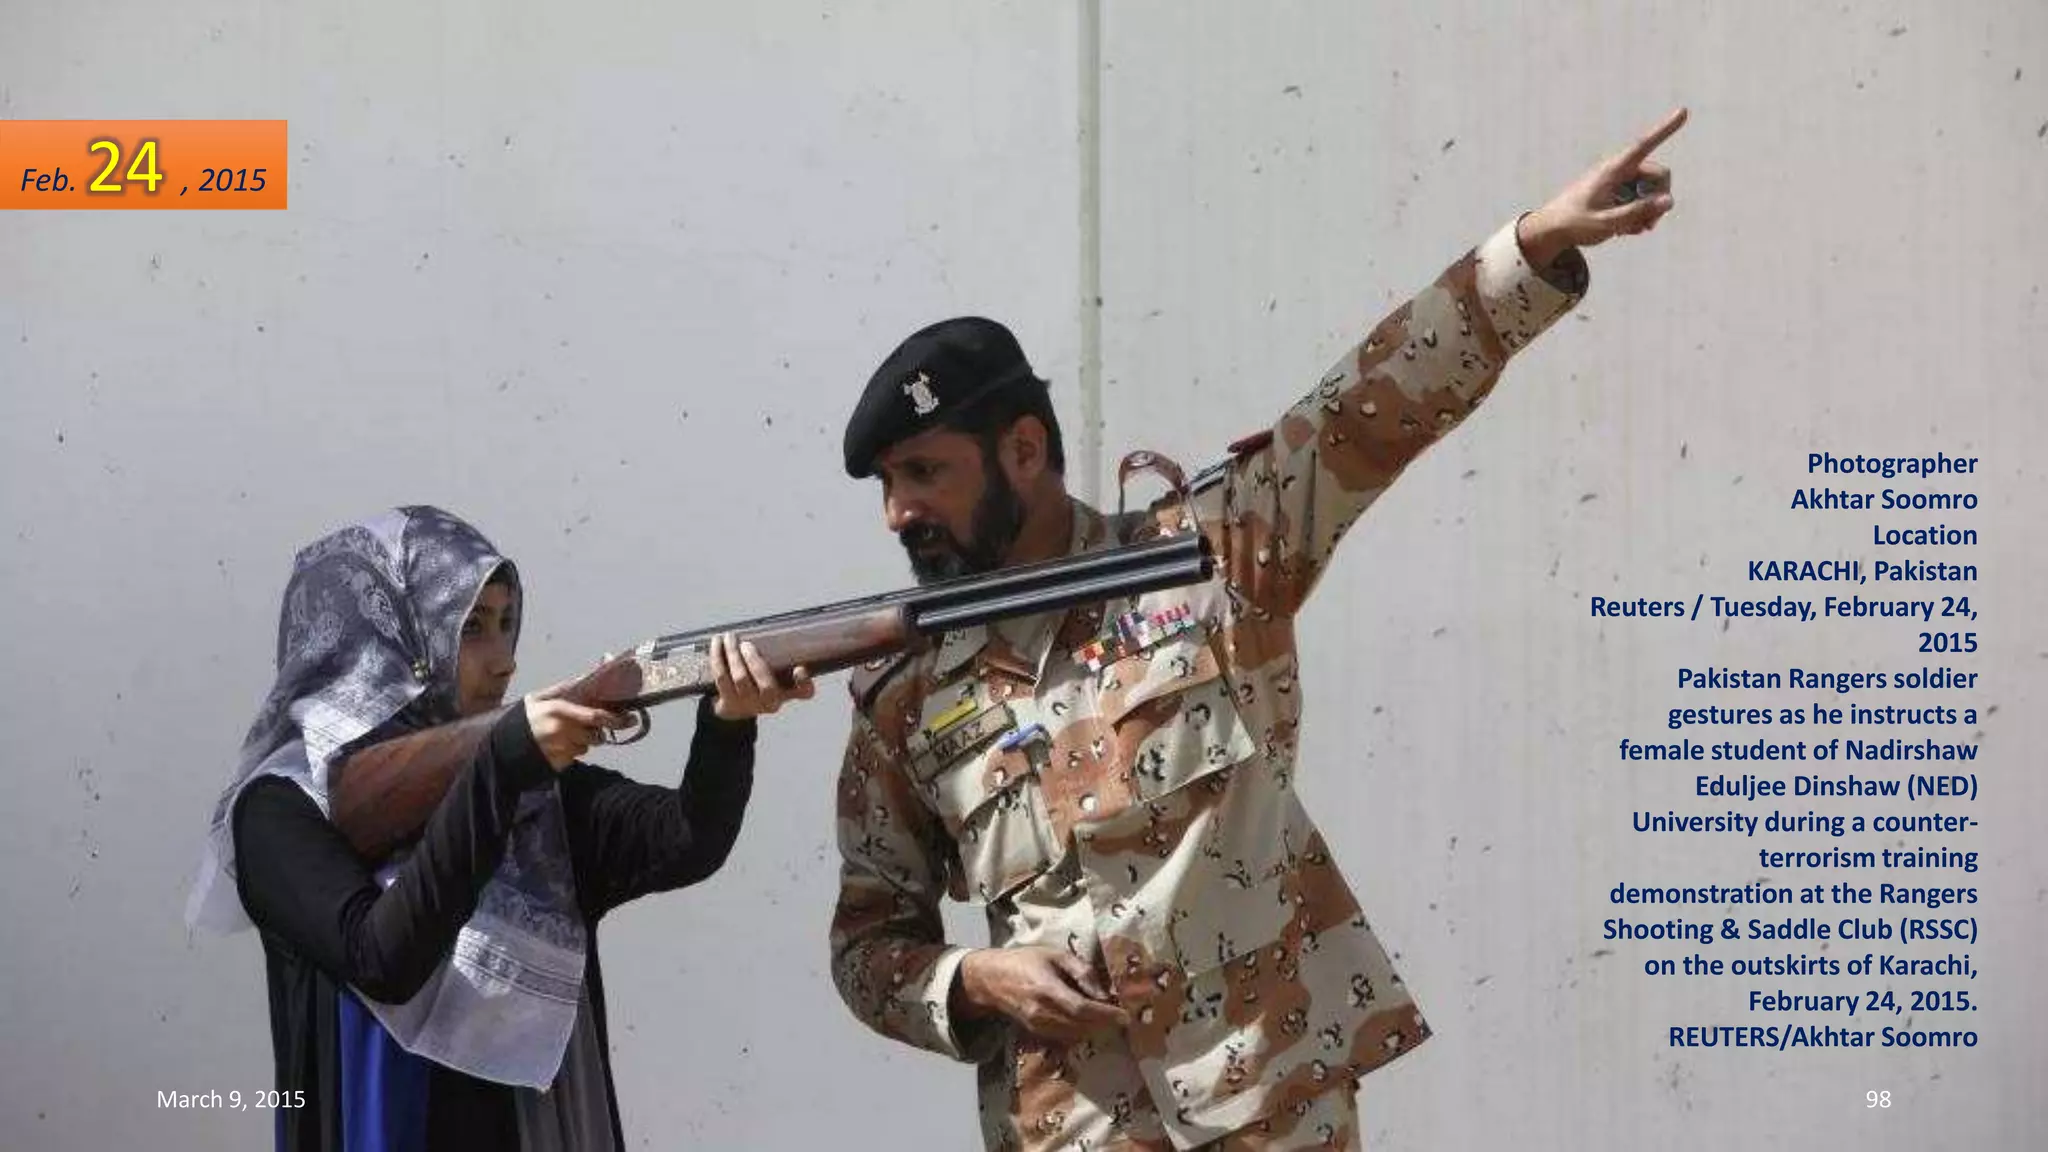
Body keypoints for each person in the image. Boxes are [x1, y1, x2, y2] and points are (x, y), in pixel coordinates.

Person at [827, 111, 1687, 1150]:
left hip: (1269, 1109)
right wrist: (973, 978)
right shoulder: (908, 700)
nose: (898, 513)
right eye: (886, 485)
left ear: (1020, 451)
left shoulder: (1209, 559)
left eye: (924, 473)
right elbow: (869, 943)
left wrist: (1533, 246)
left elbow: (1365, 407)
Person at [184, 505, 811, 1151]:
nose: (504, 660)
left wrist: (728, 723)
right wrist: (503, 765)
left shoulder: (525, 785)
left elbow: (686, 841)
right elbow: (381, 957)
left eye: (507, 624)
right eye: (471, 628)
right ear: (384, 642)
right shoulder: (280, 809)